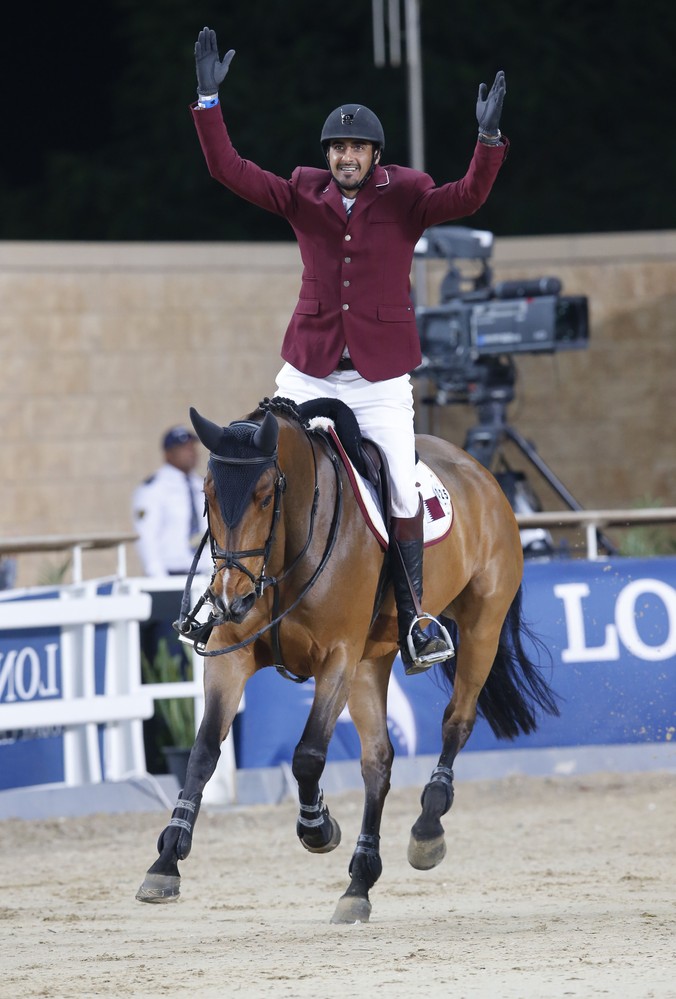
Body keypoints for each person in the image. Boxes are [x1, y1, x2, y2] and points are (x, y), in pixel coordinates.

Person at [190, 26, 508, 674]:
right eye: (337, 147)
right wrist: (207, 103)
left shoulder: (409, 194)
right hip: (308, 372)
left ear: (374, 154)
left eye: (355, 147)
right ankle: (227, 593)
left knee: (399, 483)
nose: (344, 156)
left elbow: (470, 195)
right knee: (250, 456)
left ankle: (417, 617)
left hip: (379, 378)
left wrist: (488, 143)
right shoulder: (303, 191)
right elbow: (229, 171)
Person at [132, 425, 209, 578]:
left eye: (192, 447)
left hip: (205, 575)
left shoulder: (202, 485)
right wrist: (158, 578)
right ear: (168, 454)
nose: (191, 452)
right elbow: (146, 537)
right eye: (183, 448)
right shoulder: (153, 488)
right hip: (171, 574)